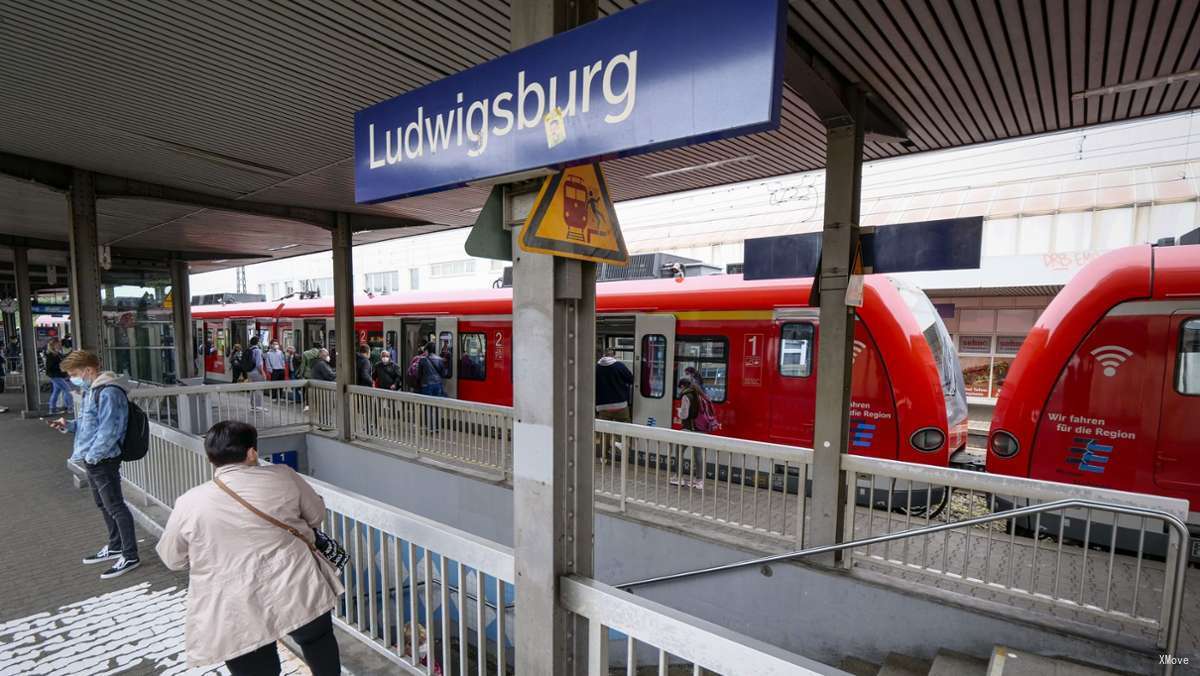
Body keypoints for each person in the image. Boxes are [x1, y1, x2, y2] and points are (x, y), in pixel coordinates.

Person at [157, 421, 343, 675]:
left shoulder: (190, 502)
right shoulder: (284, 475)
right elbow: (316, 515)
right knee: (317, 643)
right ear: (252, 452)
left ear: (211, 457)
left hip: (235, 604)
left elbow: (172, 558)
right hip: (297, 586)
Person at [48, 350, 140, 578]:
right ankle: (116, 545)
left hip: (103, 459)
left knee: (115, 505)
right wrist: (68, 425)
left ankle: (130, 555)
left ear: (88, 370)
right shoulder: (94, 390)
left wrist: (92, 456)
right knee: (104, 504)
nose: (72, 379)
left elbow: (110, 430)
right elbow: (90, 422)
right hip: (95, 458)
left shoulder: (108, 392)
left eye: (74, 374)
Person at [671, 377, 705, 490]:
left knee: (679, 450)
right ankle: (699, 481)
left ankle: (678, 478)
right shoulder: (699, 394)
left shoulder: (686, 396)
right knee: (698, 454)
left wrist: (679, 411)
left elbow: (685, 415)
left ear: (682, 386)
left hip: (689, 428)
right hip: (700, 428)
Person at [595, 349, 634, 423]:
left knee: (604, 430)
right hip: (620, 404)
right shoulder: (619, 366)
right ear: (614, 356)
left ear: (604, 355)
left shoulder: (596, 367)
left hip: (603, 406)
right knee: (624, 428)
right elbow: (631, 379)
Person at [44, 337, 72, 413]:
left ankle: (52, 408)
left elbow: (63, 358)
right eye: (58, 344)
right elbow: (50, 367)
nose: (60, 345)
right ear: (54, 345)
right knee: (68, 390)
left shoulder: (55, 354)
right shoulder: (51, 355)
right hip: (56, 375)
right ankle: (69, 407)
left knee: (56, 391)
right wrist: (61, 366)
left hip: (56, 375)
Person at [246, 336, 266, 411]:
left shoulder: (249, 349)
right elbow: (259, 364)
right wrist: (263, 373)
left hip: (250, 372)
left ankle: (252, 405)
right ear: (258, 342)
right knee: (259, 389)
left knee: (252, 389)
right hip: (256, 372)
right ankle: (258, 406)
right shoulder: (258, 350)